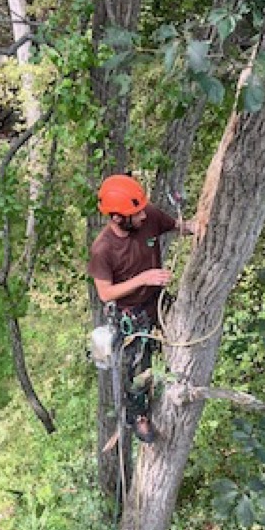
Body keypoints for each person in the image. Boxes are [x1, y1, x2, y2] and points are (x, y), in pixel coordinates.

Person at [88, 174, 194, 443]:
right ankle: (138, 416)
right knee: (138, 372)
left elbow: (178, 226)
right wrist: (143, 279)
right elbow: (105, 293)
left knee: (185, 341)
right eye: (136, 214)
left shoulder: (149, 216)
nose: (143, 216)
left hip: (158, 301)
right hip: (132, 314)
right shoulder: (103, 249)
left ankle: (177, 385)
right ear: (117, 218)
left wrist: (197, 227)